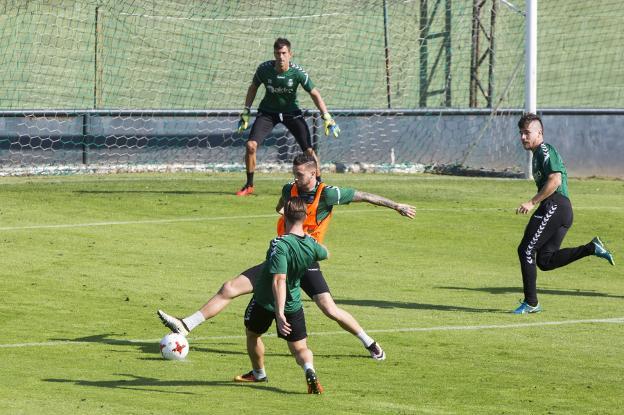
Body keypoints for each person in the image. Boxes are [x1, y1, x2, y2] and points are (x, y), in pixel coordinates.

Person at [158, 153, 416, 360]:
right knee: (230, 287)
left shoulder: (328, 194)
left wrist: (397, 206)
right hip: (281, 257)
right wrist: (287, 218)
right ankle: (186, 325)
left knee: (329, 309)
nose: (296, 179)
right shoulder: (289, 188)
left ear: (314, 173)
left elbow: (364, 196)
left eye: (301, 175)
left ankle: (369, 342)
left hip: (305, 260)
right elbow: (280, 206)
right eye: (294, 174)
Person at [514, 113, 615, 314]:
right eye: (521, 133)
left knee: (526, 249)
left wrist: (532, 202)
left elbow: (555, 180)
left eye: (527, 133)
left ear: (539, 132)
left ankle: (531, 302)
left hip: (555, 205)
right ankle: (591, 248)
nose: (523, 137)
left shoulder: (544, 150)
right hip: (562, 209)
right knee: (545, 260)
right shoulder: (537, 155)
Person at [235, 197, 328, 394]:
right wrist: (310, 238)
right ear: (304, 217)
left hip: (266, 301)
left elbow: (279, 280)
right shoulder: (310, 244)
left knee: (252, 334)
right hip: (293, 304)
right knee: (299, 348)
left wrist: (279, 314)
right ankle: (309, 369)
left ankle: (258, 373)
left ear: (284, 216)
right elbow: (325, 253)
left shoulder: (280, 244)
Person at [234, 37, 340, 196]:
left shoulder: (297, 73)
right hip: (268, 113)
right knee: (250, 146)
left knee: (309, 152)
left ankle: (320, 187)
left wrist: (326, 116)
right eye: (277, 53)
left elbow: (314, 93)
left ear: (290, 54)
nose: (281, 57)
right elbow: (253, 88)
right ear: (274, 54)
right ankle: (249, 185)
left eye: (284, 53)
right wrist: (246, 111)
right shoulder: (264, 70)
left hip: (292, 113)